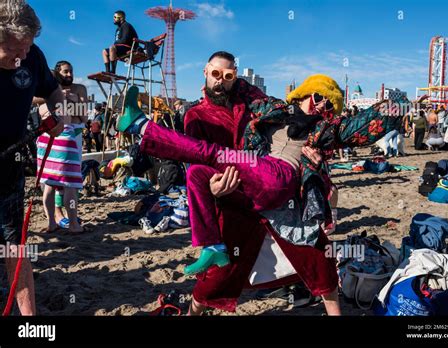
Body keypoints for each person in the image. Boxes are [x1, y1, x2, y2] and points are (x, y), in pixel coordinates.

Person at [118, 51, 401, 315]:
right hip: (234, 195)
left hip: (276, 185)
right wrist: (213, 188)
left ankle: (141, 126)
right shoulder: (261, 111)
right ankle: (211, 248)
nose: (321, 105)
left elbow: (355, 129)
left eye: (329, 104)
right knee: (202, 194)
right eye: (317, 97)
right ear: (205, 72)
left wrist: (395, 106)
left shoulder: (314, 127)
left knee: (316, 256)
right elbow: (195, 163)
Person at [0, 0, 64, 315]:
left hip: (10, 164)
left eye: (27, 47)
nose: (22, 56)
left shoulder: (31, 57)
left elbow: (52, 90)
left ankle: (29, 320)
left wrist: (49, 107)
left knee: (14, 243)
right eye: (14, 49)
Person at [36, 61, 87, 233]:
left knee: (49, 184)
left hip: (44, 140)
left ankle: (51, 222)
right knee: (70, 185)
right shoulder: (63, 96)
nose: (69, 74)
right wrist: (71, 103)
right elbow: (83, 118)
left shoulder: (42, 101)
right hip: (64, 139)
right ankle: (73, 224)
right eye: (66, 72)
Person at [102, 10, 138, 74]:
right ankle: (107, 72)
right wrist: (115, 44)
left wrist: (115, 44)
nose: (113, 18)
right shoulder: (118, 29)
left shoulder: (126, 25)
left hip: (128, 48)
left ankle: (113, 72)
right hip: (120, 48)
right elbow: (117, 42)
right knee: (104, 51)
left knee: (112, 47)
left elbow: (124, 40)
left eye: (115, 17)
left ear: (121, 18)